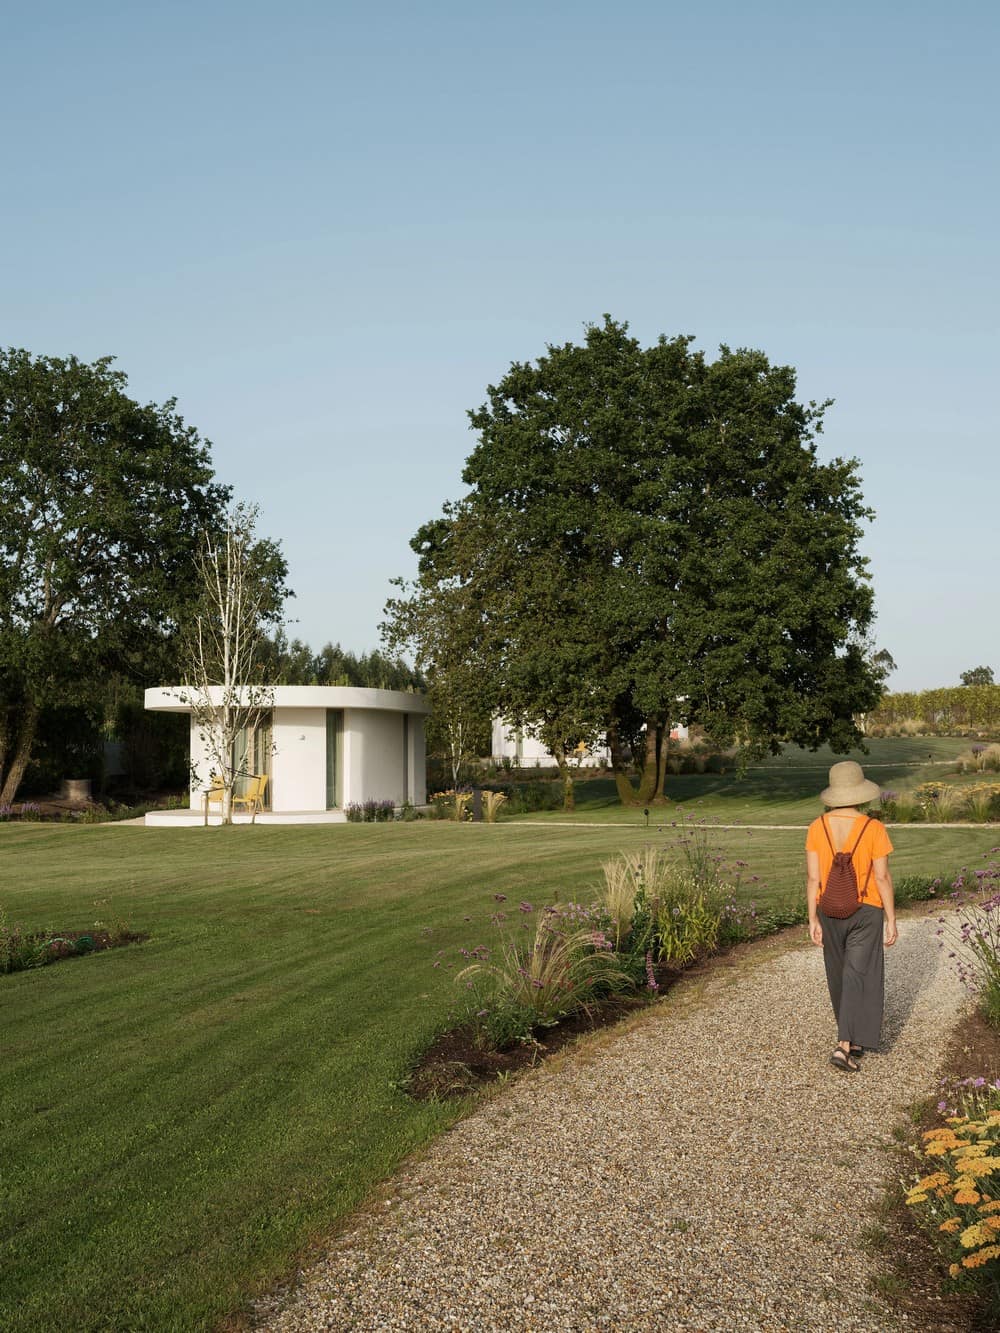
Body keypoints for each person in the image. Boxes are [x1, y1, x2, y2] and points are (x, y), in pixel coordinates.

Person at [806, 761, 897, 1072]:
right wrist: (892, 919)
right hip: (865, 909)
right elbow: (882, 878)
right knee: (859, 973)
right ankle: (844, 1045)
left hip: (828, 908)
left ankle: (855, 1039)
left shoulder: (816, 827)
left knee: (839, 974)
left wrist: (812, 919)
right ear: (860, 792)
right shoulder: (874, 828)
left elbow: (812, 878)